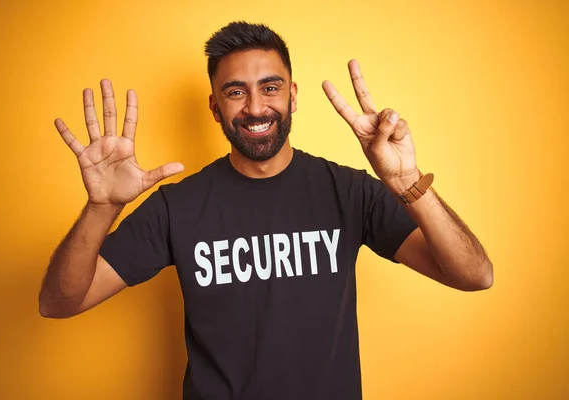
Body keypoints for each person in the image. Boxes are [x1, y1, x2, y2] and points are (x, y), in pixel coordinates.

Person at [39, 21, 493, 400]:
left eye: (270, 88)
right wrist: (102, 207)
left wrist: (405, 182)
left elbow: (474, 275)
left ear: (292, 96)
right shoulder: (177, 206)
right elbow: (59, 303)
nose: (256, 107)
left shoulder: (349, 191)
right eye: (235, 92)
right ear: (215, 108)